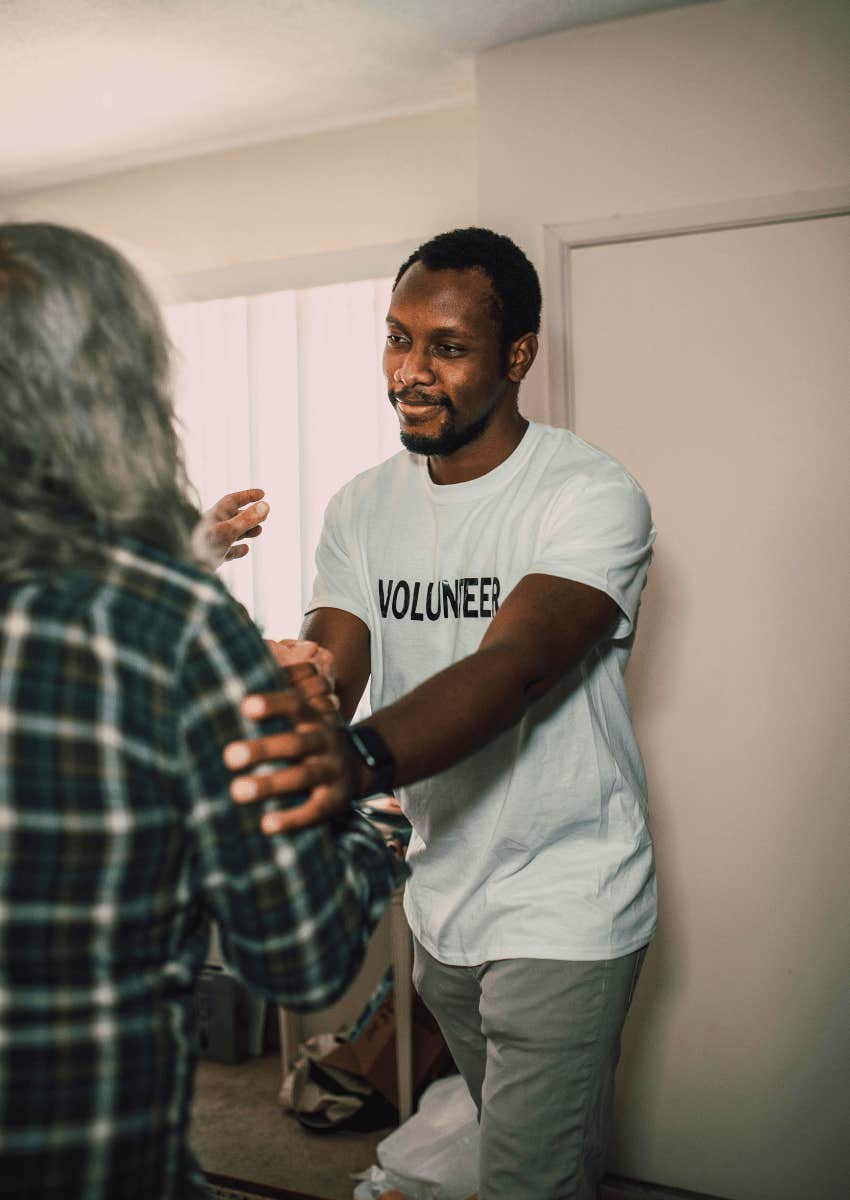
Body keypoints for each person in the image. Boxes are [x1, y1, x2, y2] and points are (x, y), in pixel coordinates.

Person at [222, 227, 657, 1199]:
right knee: (491, 1134)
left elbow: (517, 665)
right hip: (445, 886)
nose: (410, 373)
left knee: (529, 1180)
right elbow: (336, 656)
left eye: (446, 348)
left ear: (516, 356)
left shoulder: (587, 494)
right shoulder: (363, 505)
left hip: (567, 894)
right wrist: (303, 694)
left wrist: (357, 758)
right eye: (395, 339)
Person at [0, 222, 403, 1200]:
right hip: (87, 1153)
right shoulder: (174, 627)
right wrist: (367, 817)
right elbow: (297, 952)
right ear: (122, 391)